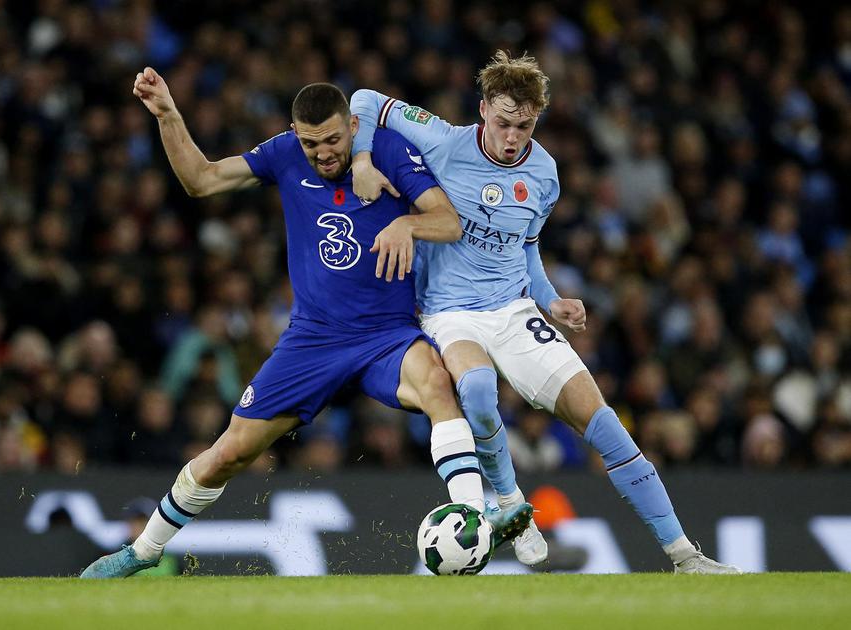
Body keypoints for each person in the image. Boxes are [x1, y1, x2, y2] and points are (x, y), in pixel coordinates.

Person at [80, 70, 533, 578]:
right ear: (296, 134)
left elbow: (448, 222)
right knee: (228, 453)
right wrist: (168, 115)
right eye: (311, 142)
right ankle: (143, 550)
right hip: (312, 340)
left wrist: (405, 222)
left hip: (386, 334)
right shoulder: (283, 154)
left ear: (353, 127)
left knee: (436, 383)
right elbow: (201, 180)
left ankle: (470, 518)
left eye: (334, 139)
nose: (323, 152)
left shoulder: (386, 150)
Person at [349, 51, 742, 574]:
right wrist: (360, 159)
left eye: (525, 125)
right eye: (504, 123)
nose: (513, 137)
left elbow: (526, 246)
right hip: (449, 311)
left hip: (514, 309)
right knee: (479, 389)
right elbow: (365, 101)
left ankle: (684, 556)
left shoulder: (545, 173)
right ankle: (511, 500)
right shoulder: (443, 138)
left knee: (605, 426)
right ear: (483, 109)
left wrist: (551, 297)